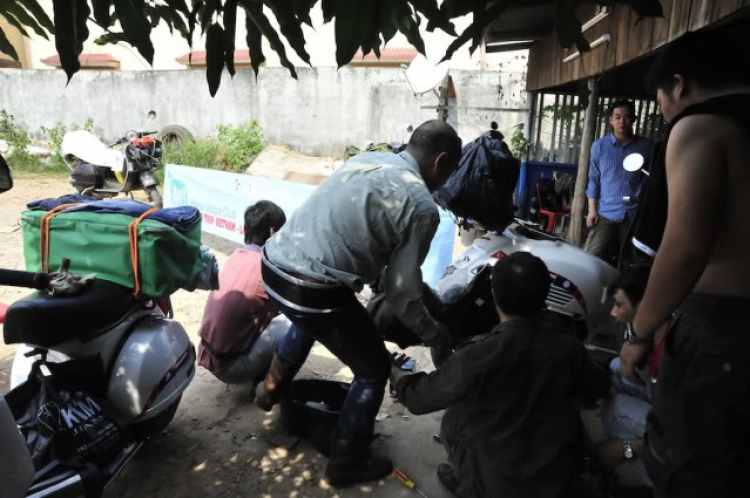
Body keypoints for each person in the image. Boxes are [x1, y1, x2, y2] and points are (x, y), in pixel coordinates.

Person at [254, 120, 462, 487]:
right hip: (311, 288)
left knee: (311, 320)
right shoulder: (421, 205)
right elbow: (402, 295)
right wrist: (434, 332)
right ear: (441, 161)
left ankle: (270, 388)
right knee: (372, 369)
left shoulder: (369, 159)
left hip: (273, 265)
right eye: (450, 173)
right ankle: (345, 464)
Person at [619, 29, 750, 498]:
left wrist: (639, 332)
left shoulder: (701, 126)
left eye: (660, 102)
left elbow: (686, 247)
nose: (665, 114)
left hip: (722, 334)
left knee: (694, 469)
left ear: (679, 84)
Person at [391, 252, 610, 498]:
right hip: (558, 485)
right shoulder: (570, 349)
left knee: (456, 416)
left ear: (493, 295)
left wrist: (397, 375)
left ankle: (467, 484)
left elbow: (419, 399)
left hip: (494, 489)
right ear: (545, 297)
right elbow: (600, 385)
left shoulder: (475, 356)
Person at [197, 201, 288, 385]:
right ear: (272, 232)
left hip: (208, 356)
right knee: (296, 324)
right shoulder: (267, 269)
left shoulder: (236, 256)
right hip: (231, 368)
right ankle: (268, 386)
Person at [598, 268, 669, 489]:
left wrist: (627, 448)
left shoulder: (667, 353)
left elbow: (679, 437)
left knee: (615, 411)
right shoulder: (659, 325)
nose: (613, 312)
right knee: (616, 367)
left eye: (619, 305)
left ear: (642, 305)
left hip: (677, 439)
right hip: (663, 408)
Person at [585, 100, 651, 263]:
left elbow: (651, 178)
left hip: (634, 213)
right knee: (592, 256)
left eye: (627, 117)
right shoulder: (599, 146)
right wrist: (592, 209)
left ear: (634, 119)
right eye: (617, 117)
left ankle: (623, 287)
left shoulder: (646, 146)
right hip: (607, 211)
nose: (622, 121)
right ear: (611, 119)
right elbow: (593, 178)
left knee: (629, 259)